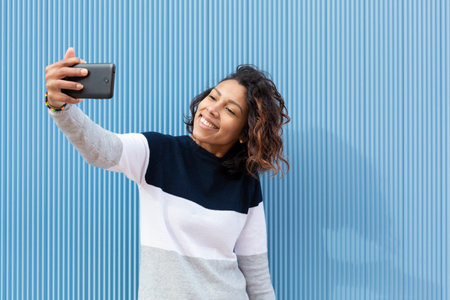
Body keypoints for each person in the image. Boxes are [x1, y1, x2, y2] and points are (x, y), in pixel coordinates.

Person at [45, 47, 290, 300]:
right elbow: (100, 148)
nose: (212, 110)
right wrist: (59, 106)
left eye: (230, 110)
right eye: (213, 97)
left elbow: (257, 280)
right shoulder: (158, 153)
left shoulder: (247, 184)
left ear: (244, 133)